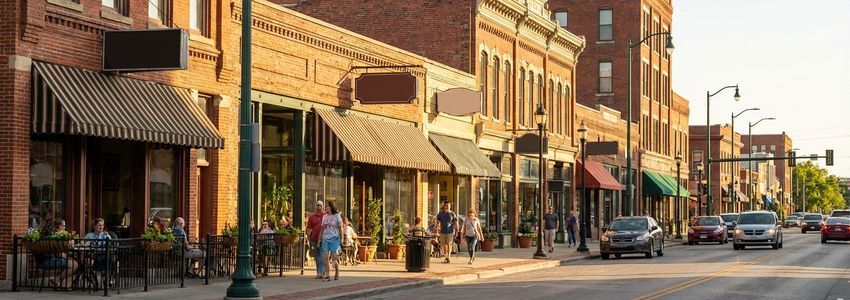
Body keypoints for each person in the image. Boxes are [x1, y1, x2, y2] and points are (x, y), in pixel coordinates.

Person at [37, 218, 78, 290]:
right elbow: (54, 251)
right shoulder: (54, 237)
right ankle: (57, 281)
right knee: (74, 264)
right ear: (58, 226)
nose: (65, 227)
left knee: (74, 262)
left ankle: (62, 284)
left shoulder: (59, 235)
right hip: (47, 260)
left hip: (51, 258)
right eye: (63, 225)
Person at [318, 201, 343, 281]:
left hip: (334, 239)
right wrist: (319, 240)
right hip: (325, 238)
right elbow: (322, 229)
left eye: (328, 206)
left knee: (334, 258)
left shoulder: (337, 216)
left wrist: (341, 239)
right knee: (325, 256)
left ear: (331, 207)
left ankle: (337, 271)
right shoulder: (324, 217)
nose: (326, 208)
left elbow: (340, 228)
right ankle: (328, 275)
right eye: (326, 206)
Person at [305, 201, 326, 279]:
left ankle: (322, 272)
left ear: (322, 207)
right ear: (315, 206)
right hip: (314, 239)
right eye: (317, 205)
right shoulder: (312, 217)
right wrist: (308, 237)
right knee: (317, 256)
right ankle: (319, 273)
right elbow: (309, 228)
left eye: (320, 205)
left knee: (322, 255)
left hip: (324, 239)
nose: (319, 207)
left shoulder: (325, 216)